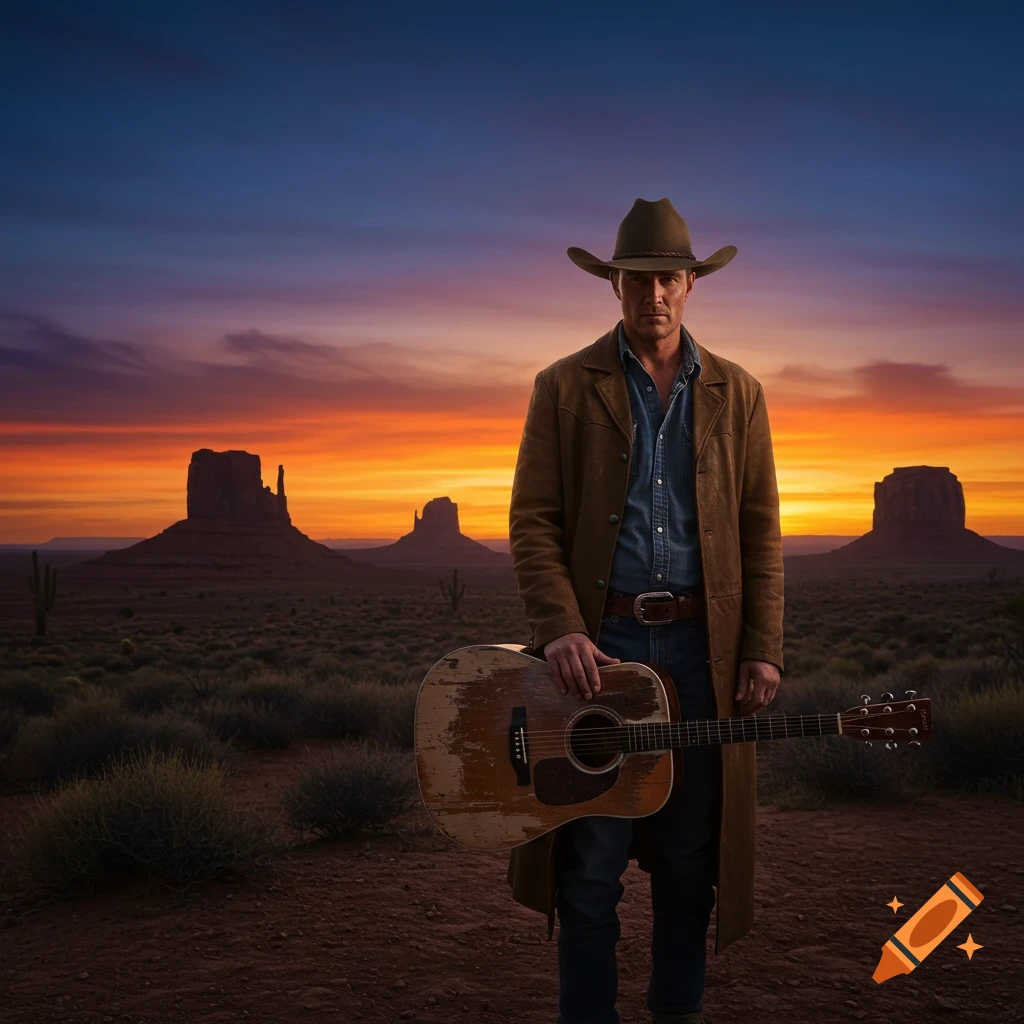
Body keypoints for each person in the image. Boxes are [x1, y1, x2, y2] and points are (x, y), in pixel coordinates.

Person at [505, 197, 785, 1024]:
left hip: (705, 648)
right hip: (603, 646)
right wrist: (560, 626)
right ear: (614, 286)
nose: (652, 294)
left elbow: (761, 527)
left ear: (692, 285)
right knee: (589, 864)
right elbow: (533, 520)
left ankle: (676, 1014)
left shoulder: (740, 393)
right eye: (636, 278)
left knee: (689, 863)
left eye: (668, 277)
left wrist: (762, 645)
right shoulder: (562, 387)